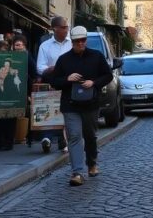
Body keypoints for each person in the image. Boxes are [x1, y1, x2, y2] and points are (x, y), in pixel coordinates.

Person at [47, 26, 114, 187]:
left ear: (86, 40)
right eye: (77, 41)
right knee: (75, 136)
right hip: (70, 105)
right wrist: (67, 79)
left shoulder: (96, 56)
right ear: (72, 42)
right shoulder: (64, 60)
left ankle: (91, 163)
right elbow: (54, 82)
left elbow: (108, 75)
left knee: (90, 136)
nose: (80, 43)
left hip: (91, 104)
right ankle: (77, 172)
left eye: (83, 40)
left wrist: (94, 83)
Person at [36, 16, 71, 153]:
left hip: (68, 82)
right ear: (54, 29)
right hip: (52, 82)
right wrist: (51, 68)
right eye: (63, 27)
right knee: (50, 110)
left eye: (67, 27)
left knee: (66, 111)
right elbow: (39, 67)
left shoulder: (71, 44)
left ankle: (64, 139)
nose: (66, 30)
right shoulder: (45, 46)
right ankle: (47, 138)